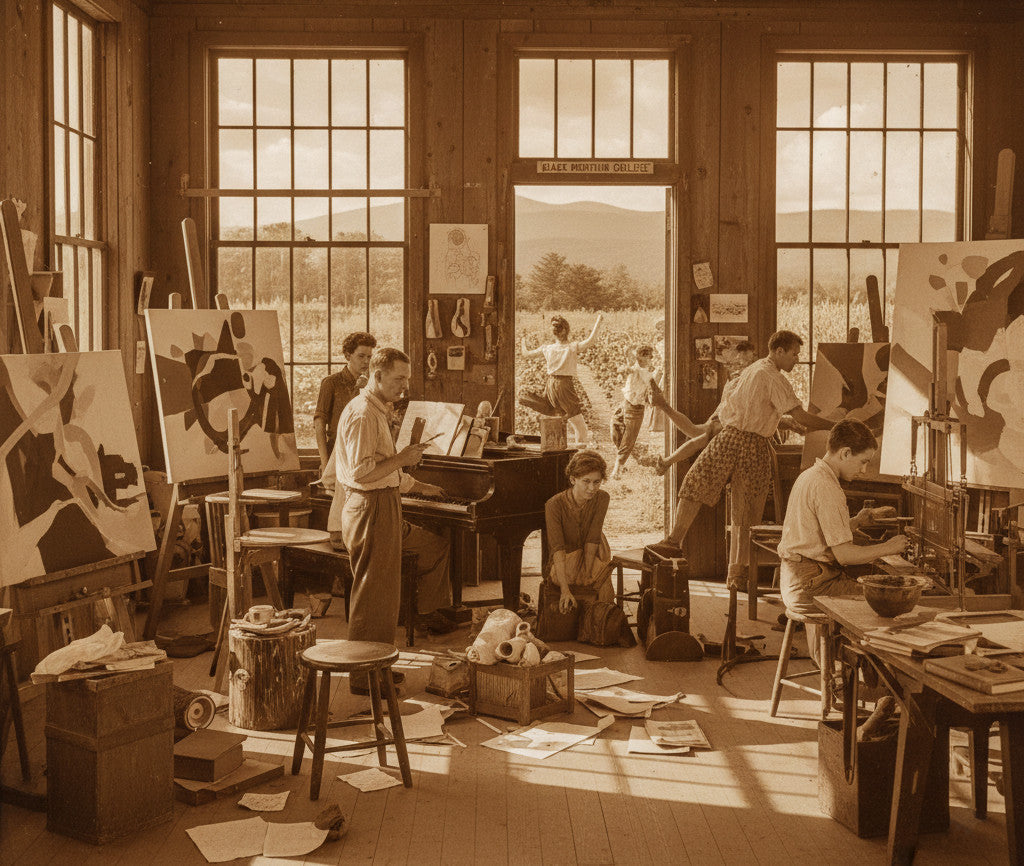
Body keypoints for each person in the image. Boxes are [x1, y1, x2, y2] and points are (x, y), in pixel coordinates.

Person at [648, 330, 833, 591]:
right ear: (778, 351)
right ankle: (723, 566)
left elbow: (757, 410)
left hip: (741, 439)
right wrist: (835, 425)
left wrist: (786, 422)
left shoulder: (756, 370)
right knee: (733, 506)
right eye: (794, 354)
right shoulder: (770, 375)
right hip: (743, 440)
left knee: (729, 503)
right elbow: (800, 416)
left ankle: (725, 568)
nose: (796, 360)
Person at [335, 347, 455, 693]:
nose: (405, 385)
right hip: (371, 506)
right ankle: (364, 676)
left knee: (383, 595)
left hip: (381, 502)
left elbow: (383, 468)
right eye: (399, 378)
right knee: (373, 594)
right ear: (377, 376)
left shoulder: (376, 409)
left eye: (407, 377)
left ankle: (376, 666)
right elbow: (362, 473)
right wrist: (403, 458)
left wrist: (413, 478)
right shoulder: (362, 414)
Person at [778, 418, 907, 657]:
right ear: (846, 453)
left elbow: (816, 534)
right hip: (811, 586)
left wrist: (856, 521)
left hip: (797, 580)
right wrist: (889, 547)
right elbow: (845, 556)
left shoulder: (811, 476)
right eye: (863, 462)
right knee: (888, 603)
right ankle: (857, 676)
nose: (864, 470)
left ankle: (843, 671)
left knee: (874, 594)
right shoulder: (827, 487)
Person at [653, 340, 757, 476]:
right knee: (695, 433)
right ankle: (666, 460)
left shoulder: (751, 375)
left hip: (732, 421)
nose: (742, 364)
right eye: (739, 361)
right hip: (727, 417)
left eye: (747, 360)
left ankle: (666, 461)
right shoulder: (736, 376)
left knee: (697, 435)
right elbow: (728, 401)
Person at [544, 450, 615, 613]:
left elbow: (593, 537)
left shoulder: (602, 498)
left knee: (603, 580)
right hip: (564, 560)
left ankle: (603, 624)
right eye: (586, 481)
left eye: (597, 482)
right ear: (573, 479)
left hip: (592, 552)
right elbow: (557, 548)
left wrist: (588, 572)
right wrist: (564, 589)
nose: (592, 488)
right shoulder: (554, 505)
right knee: (572, 583)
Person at [519, 314, 603, 446]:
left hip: (551, 385)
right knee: (581, 428)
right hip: (564, 386)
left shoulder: (547, 348)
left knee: (562, 419)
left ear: (555, 333)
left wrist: (522, 341)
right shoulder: (572, 347)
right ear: (566, 330)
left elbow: (526, 354)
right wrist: (599, 321)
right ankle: (579, 458)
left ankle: (562, 451)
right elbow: (591, 340)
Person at [314, 331, 376, 475]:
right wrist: (325, 463)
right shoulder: (331, 383)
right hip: (336, 455)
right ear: (348, 356)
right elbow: (319, 425)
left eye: (369, 357)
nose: (366, 361)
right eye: (361, 356)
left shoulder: (371, 385)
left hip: (364, 456)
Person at [610, 345, 659, 478]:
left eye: (650, 356)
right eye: (649, 355)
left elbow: (651, 386)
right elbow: (626, 369)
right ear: (642, 356)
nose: (651, 358)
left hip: (636, 408)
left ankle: (617, 470)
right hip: (625, 403)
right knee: (614, 430)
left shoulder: (647, 374)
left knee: (628, 439)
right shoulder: (635, 368)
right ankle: (626, 457)